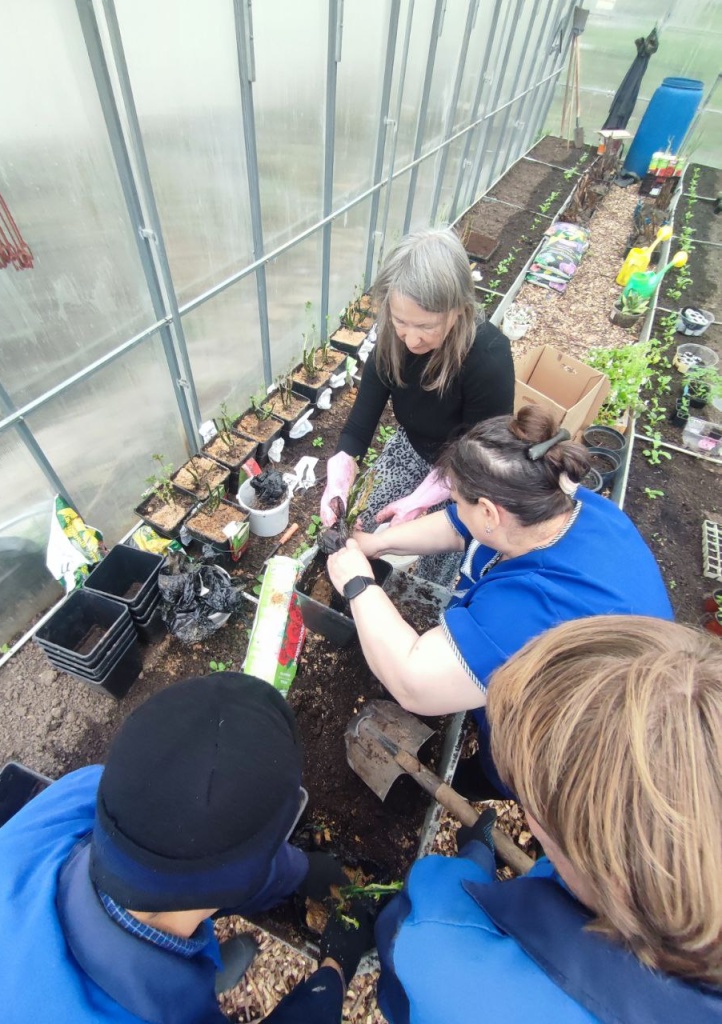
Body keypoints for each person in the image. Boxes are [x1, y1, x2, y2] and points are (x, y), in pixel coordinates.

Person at [0, 673, 374, 1023]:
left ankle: (192, 966)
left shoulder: (81, 792)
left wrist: (300, 871)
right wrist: (333, 972)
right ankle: (188, 976)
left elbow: (203, 865)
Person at [375, 615, 722, 1023]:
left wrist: (472, 862)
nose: (524, 809)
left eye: (525, 797)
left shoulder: (451, 957)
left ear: (606, 871)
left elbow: (413, 920)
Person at [327, 406, 673, 797]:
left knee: (510, 772)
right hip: (609, 685)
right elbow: (460, 527)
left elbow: (413, 683)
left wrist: (357, 583)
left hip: (594, 752)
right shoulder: (559, 506)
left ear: (491, 512)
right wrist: (381, 541)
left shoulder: (534, 608)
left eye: (457, 500)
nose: (455, 509)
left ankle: (482, 780)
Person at [319, 227, 514, 584]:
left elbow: (485, 457)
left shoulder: (487, 356)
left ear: (457, 310)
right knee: (366, 528)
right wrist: (341, 468)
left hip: (467, 475)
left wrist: (426, 496)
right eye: (400, 321)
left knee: (428, 571)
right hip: (413, 448)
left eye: (425, 326)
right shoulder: (393, 339)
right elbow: (360, 427)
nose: (410, 338)